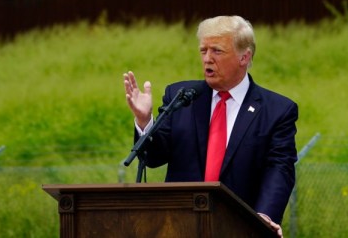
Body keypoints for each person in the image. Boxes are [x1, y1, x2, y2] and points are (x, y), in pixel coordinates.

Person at [124, 15, 298, 237]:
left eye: (217, 51)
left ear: (244, 57)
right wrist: (144, 120)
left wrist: (264, 216)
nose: (207, 59)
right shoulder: (181, 97)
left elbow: (279, 168)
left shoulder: (276, 111)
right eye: (203, 50)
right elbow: (154, 156)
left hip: (239, 227)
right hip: (179, 226)